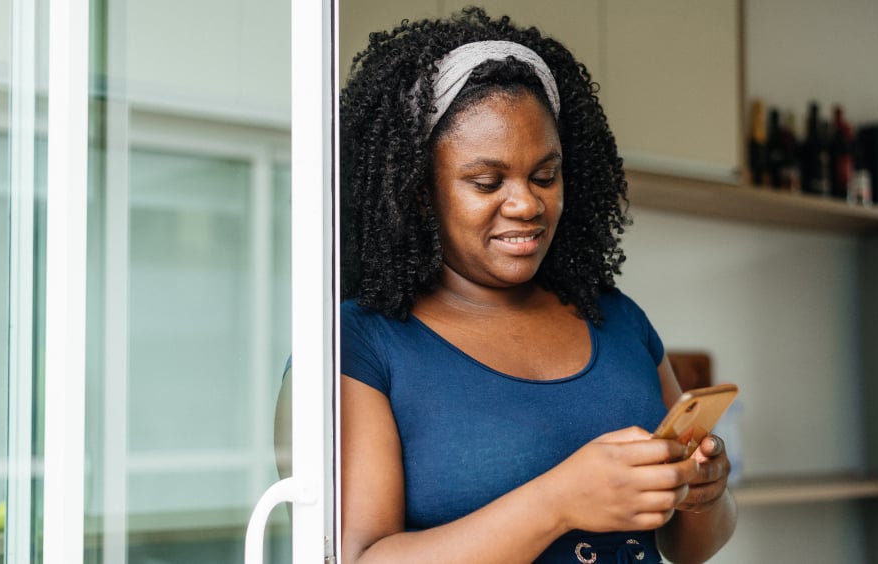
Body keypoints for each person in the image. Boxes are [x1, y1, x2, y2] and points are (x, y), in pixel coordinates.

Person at [276, 6, 736, 563]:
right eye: (486, 181)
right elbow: (360, 558)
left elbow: (689, 549)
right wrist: (558, 503)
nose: (526, 204)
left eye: (545, 175)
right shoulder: (363, 343)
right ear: (420, 191)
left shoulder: (617, 320)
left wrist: (705, 495)